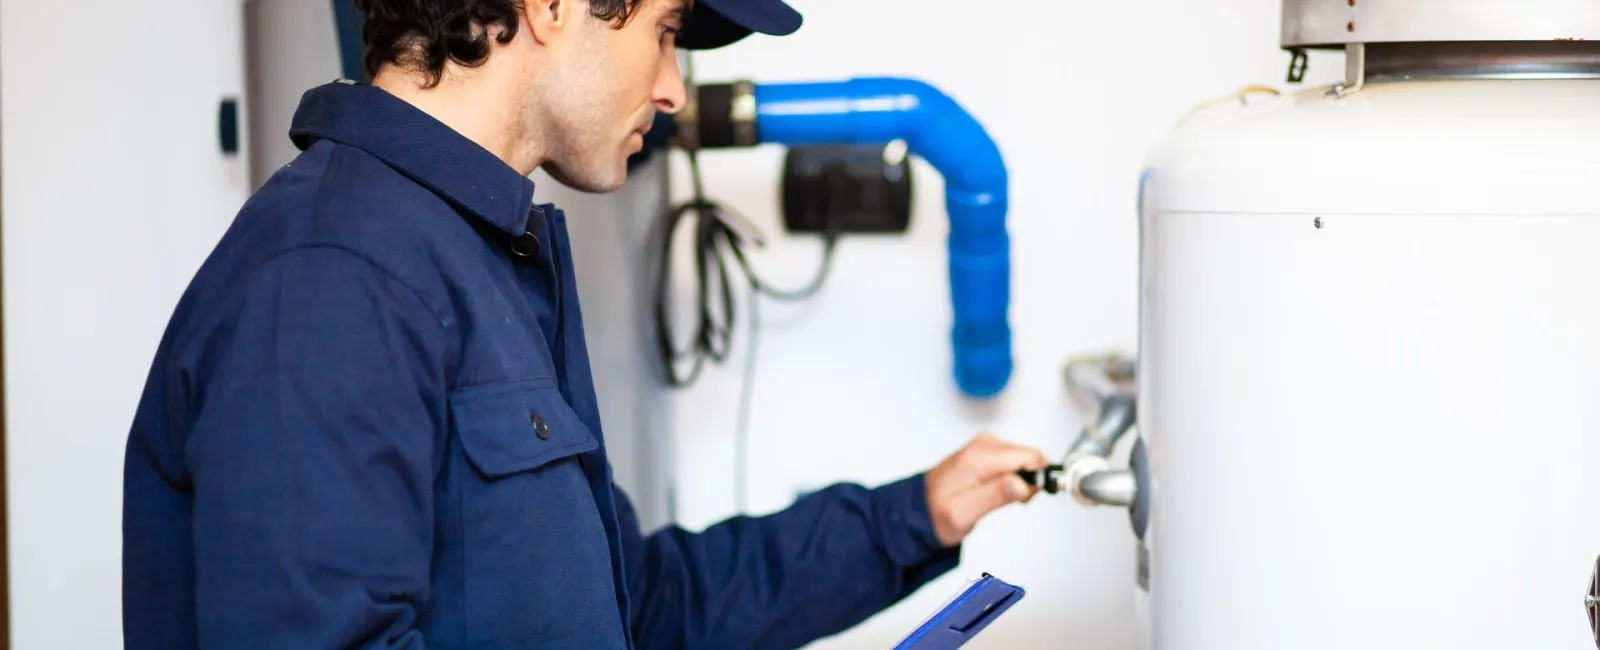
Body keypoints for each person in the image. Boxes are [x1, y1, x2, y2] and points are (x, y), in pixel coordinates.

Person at [120, 0, 1050, 648]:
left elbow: (639, 607)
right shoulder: (334, 277)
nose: (674, 87)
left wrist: (910, 518)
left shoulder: (478, 258)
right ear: (549, 6)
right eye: (666, 31)